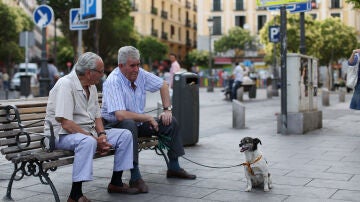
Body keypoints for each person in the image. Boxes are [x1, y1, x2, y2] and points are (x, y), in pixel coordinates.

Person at [44, 52, 139, 202]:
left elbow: (97, 116)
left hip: (87, 133)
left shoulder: (92, 87)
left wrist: (101, 135)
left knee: (125, 135)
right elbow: (66, 123)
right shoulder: (65, 84)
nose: (103, 75)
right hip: (60, 135)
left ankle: (116, 182)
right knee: (88, 142)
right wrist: (95, 139)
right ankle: (75, 195)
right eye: (101, 72)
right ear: (89, 73)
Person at [101, 46, 196, 194]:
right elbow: (120, 115)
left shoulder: (140, 74)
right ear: (121, 66)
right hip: (115, 125)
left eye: (138, 64)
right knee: (129, 125)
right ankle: (135, 176)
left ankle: (174, 167)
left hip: (137, 122)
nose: (136, 69)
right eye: (132, 65)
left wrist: (166, 110)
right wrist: (147, 117)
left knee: (170, 121)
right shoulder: (113, 81)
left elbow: (163, 85)